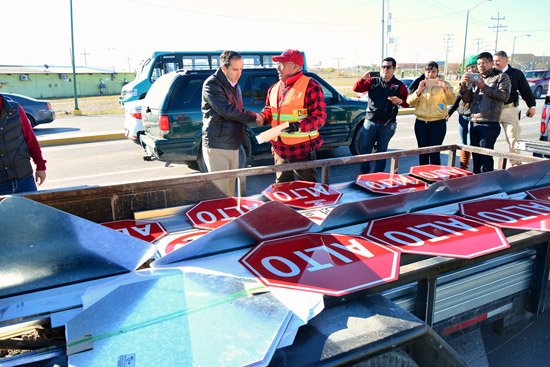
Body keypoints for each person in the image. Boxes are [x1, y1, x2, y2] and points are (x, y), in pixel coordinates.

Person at [201, 50, 263, 196]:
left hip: (234, 144)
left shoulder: (234, 84)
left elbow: (237, 112)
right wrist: (254, 116)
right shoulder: (212, 84)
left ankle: (230, 218)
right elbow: (228, 110)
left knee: (229, 191)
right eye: (235, 69)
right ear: (224, 68)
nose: (239, 73)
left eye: (241, 69)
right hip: (218, 146)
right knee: (220, 193)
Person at [260, 49, 326, 183]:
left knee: (307, 189)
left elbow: (320, 117)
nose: (278, 68)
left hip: (303, 151)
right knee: (282, 189)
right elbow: (269, 110)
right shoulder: (274, 88)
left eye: (282, 64)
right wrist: (262, 117)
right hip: (279, 151)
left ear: (296, 67)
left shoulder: (311, 86)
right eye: (278, 64)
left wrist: (297, 126)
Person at [352, 57, 409, 173]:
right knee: (365, 149)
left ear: (394, 68)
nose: (385, 69)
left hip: (387, 124)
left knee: (382, 151)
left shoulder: (399, 85)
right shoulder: (373, 81)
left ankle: (378, 175)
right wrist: (364, 78)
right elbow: (356, 88)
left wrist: (399, 101)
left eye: (388, 67)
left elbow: (407, 104)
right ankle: (364, 173)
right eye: (383, 67)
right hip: (370, 121)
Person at [460, 52, 511, 173]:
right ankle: (476, 179)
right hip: (474, 121)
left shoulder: (501, 77)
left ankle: (486, 183)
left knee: (485, 156)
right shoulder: (476, 77)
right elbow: (467, 100)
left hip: (489, 122)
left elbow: (504, 96)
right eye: (478, 64)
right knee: (476, 157)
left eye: (484, 63)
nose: (480, 66)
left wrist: (484, 87)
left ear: (491, 63)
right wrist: (463, 86)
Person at [407, 61, 456, 165]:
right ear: (425, 72)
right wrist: (418, 91)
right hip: (421, 123)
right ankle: (423, 178)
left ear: (438, 72)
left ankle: (434, 179)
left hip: (438, 123)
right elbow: (409, 102)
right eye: (428, 71)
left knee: (434, 153)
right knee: (422, 152)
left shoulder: (444, 84)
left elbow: (452, 100)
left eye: (433, 71)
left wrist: (445, 89)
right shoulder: (419, 84)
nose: (430, 74)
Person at [494, 50, 537, 166]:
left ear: (506, 60)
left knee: (513, 139)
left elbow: (525, 91)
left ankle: (516, 165)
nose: (495, 63)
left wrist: (531, 106)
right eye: (494, 61)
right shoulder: (491, 73)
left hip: (509, 110)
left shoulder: (516, 74)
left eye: (498, 61)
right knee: (488, 139)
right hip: (492, 110)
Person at [0, 94, 46, 195]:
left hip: (25, 180)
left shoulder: (15, 109)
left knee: (32, 210)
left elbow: (31, 140)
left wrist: (40, 166)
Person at [447, 55, 479, 170]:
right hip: (462, 115)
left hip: (474, 115)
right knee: (463, 143)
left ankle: (475, 169)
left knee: (471, 144)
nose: (471, 70)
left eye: (474, 67)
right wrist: (449, 112)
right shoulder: (465, 82)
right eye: (469, 68)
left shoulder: (481, 81)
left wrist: (477, 83)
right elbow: (458, 97)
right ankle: (463, 168)